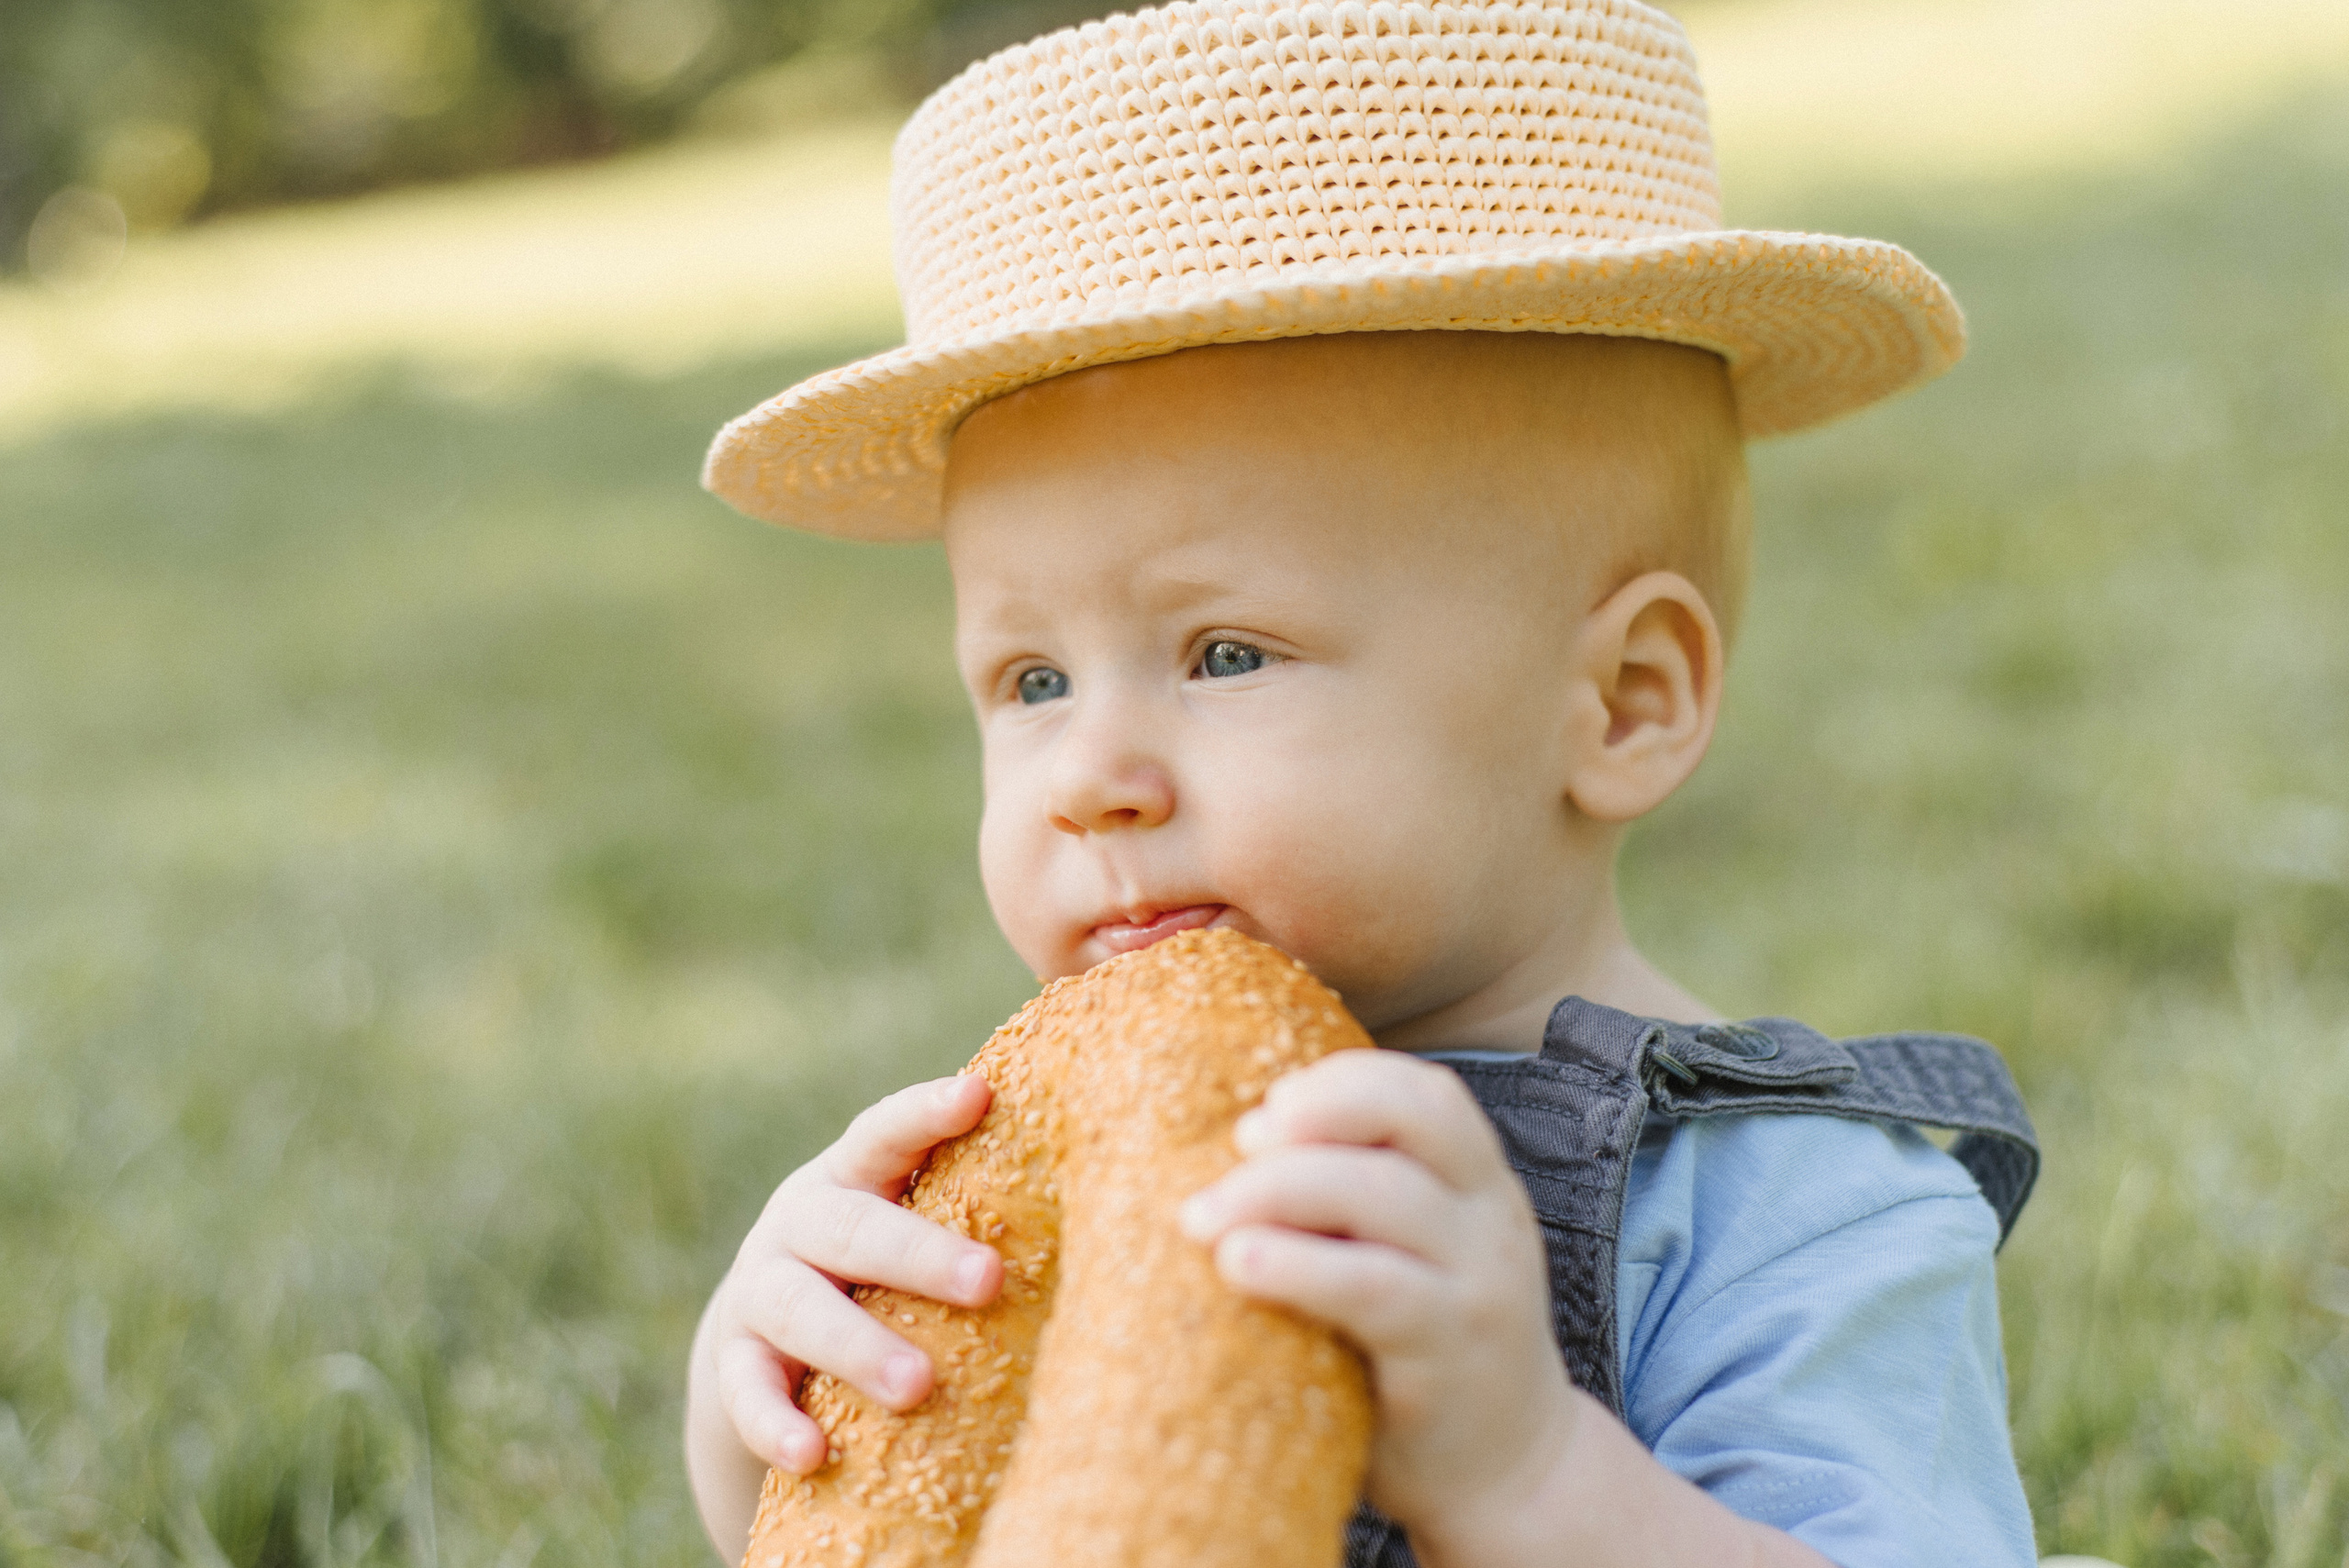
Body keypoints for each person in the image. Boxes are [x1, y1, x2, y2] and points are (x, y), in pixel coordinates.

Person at [685, 3, 2043, 1565]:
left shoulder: (1790, 1212)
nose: (1091, 779)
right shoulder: (1050, 1179)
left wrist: (1532, 1472)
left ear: (1621, 701)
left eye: (1225, 653)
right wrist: (767, 1386)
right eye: (1032, 682)